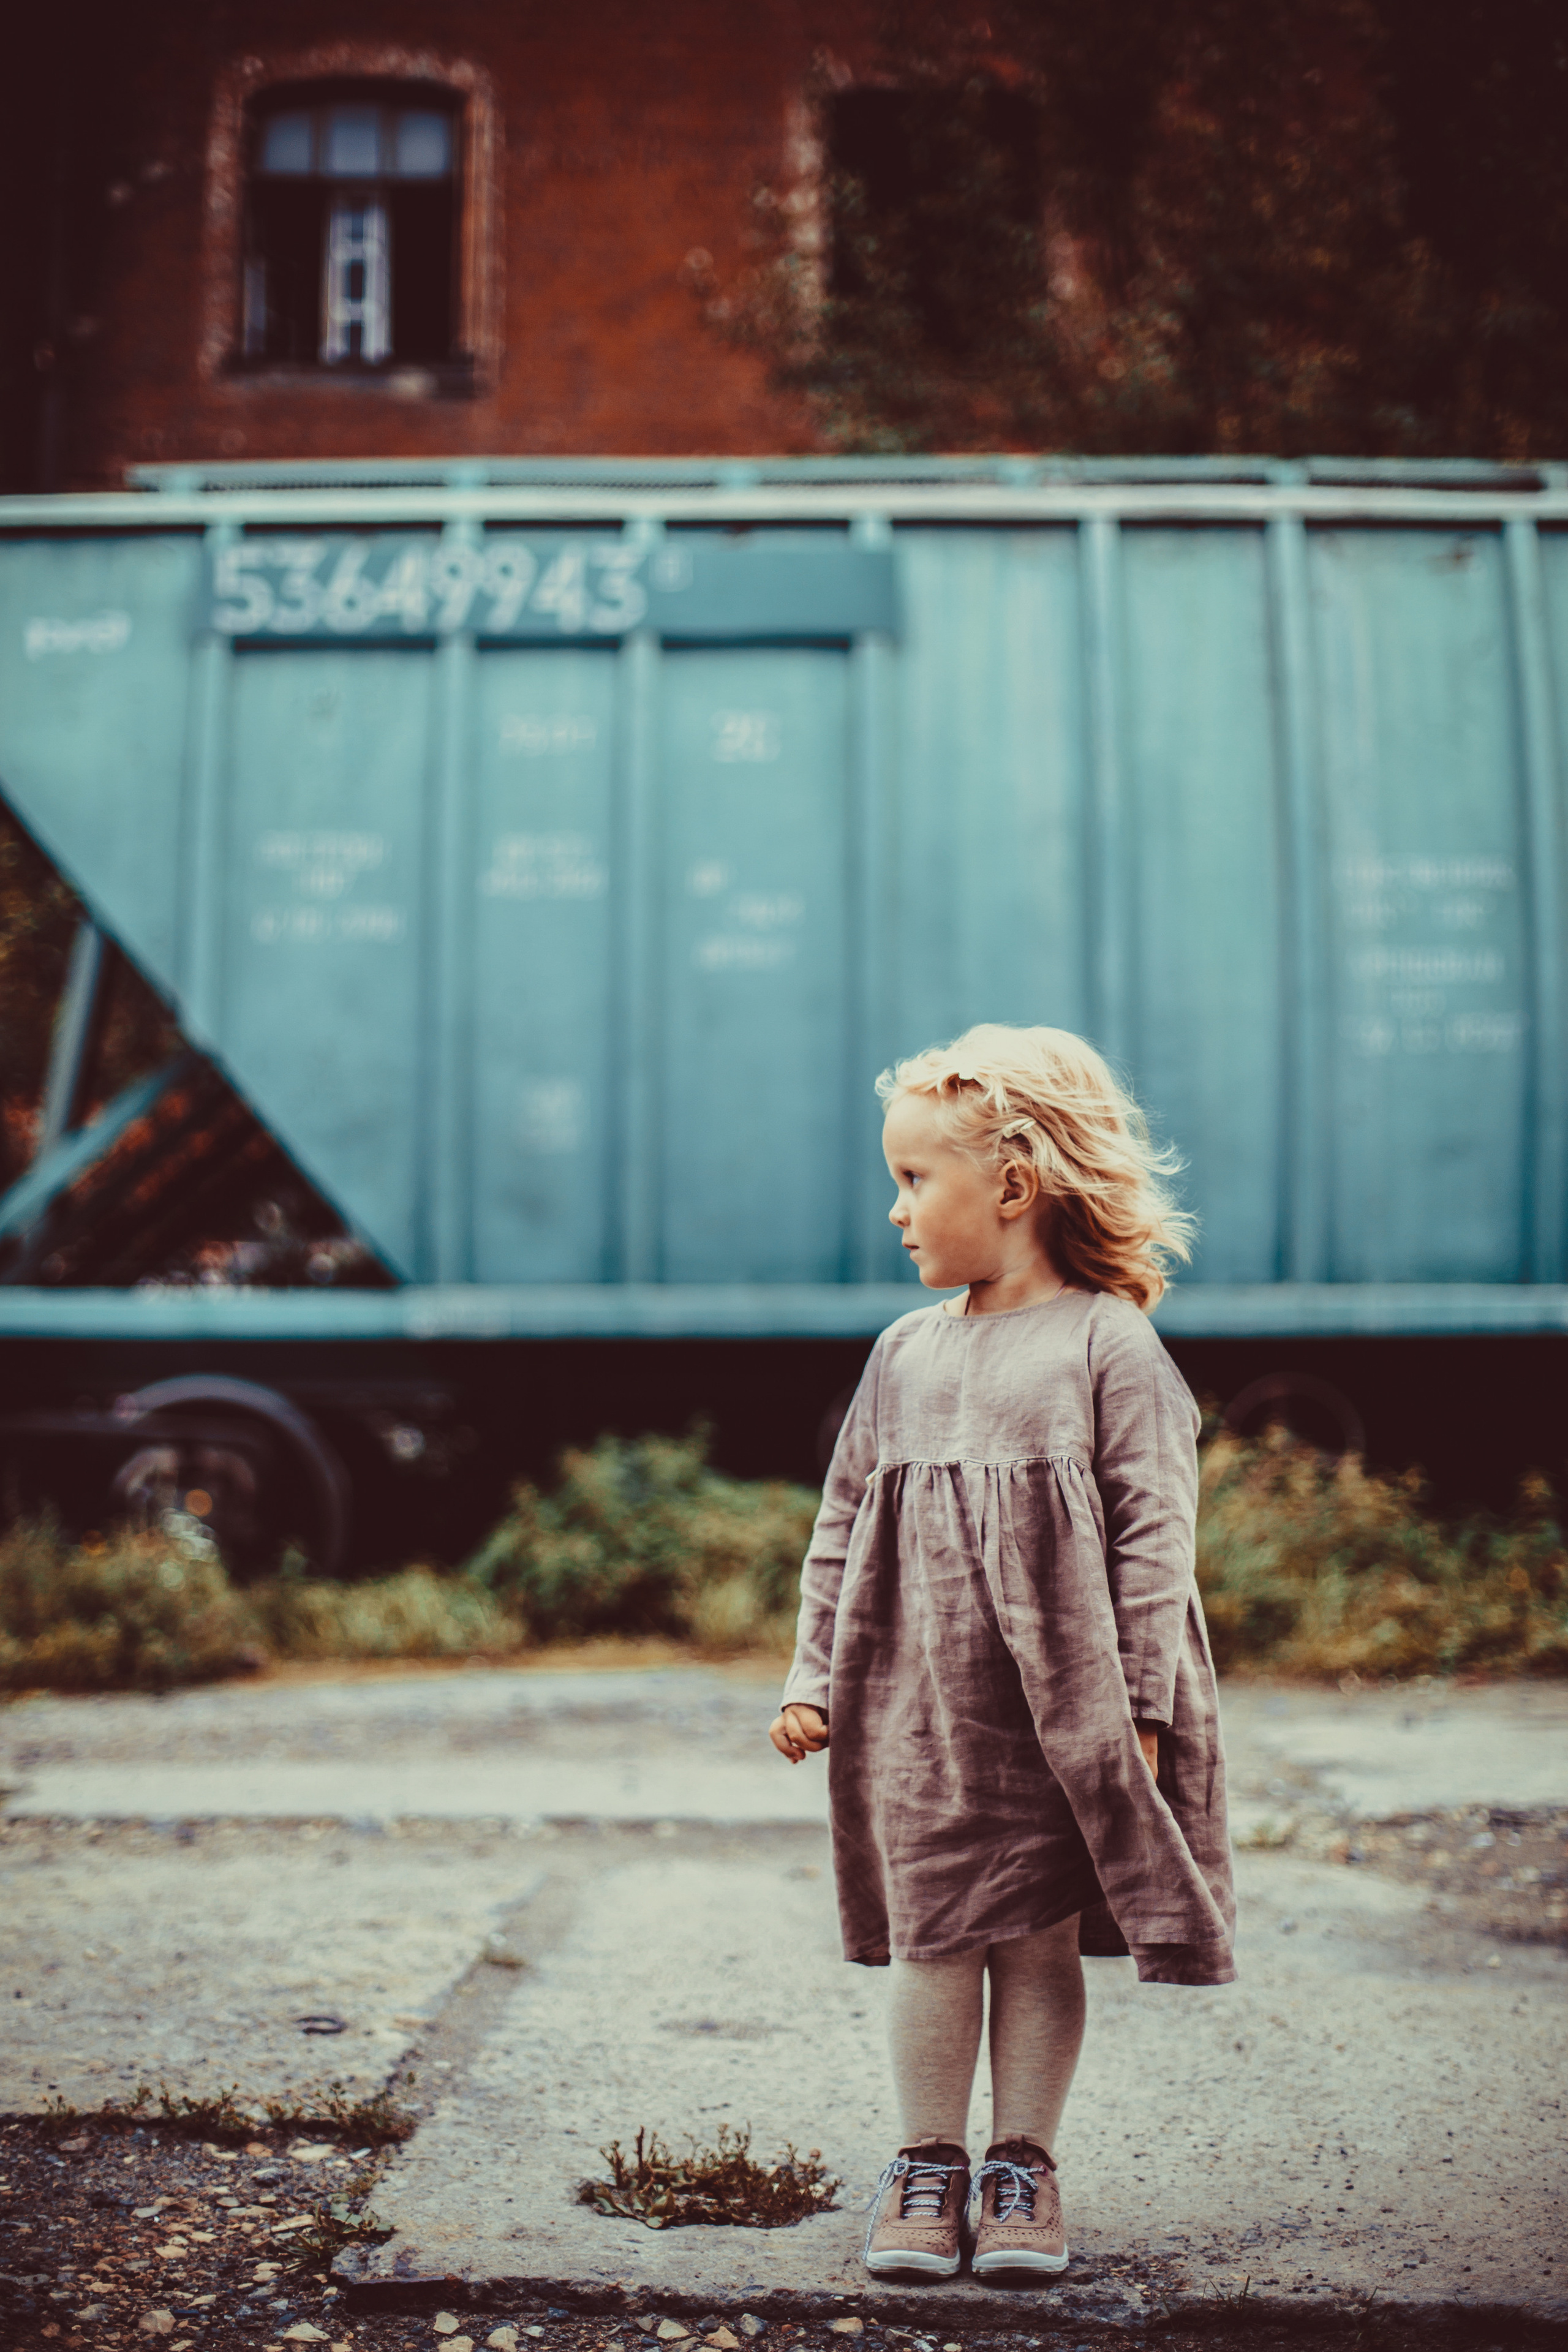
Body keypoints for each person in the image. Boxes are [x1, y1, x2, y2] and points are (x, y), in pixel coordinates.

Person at [770, 1023, 1234, 2283]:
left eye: (917, 1180)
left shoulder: (1107, 1346)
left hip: (1060, 1712)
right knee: (932, 1933)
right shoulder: (902, 1354)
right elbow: (842, 1519)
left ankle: (1020, 2164)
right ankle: (926, 2164)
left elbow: (1154, 1538)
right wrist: (814, 1671)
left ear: (1013, 1189)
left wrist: (1140, 1706)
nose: (895, 1209)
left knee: (1031, 1937)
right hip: (918, 1707)